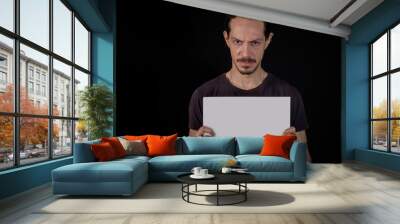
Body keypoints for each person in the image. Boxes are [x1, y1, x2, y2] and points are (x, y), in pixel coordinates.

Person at [188, 15, 310, 160]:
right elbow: (191, 162)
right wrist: (198, 145)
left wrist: (296, 149)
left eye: (255, 43)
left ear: (268, 40)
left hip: (273, 181)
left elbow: (307, 164)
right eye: (238, 42)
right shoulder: (203, 94)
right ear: (226, 39)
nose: (245, 54)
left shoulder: (290, 95)